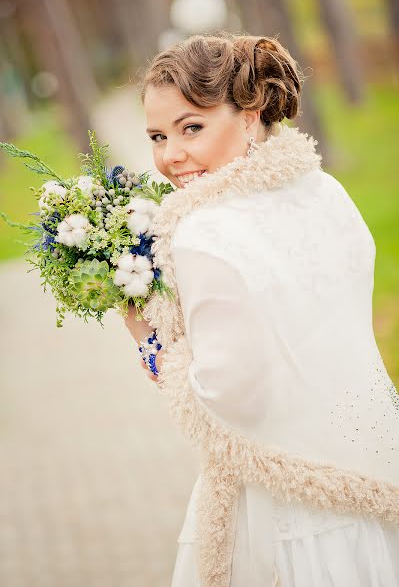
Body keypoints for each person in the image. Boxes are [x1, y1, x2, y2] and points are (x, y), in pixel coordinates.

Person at [124, 33, 399, 587]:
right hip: (372, 462)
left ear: (249, 115)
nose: (170, 155)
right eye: (157, 136)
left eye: (191, 127)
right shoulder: (324, 191)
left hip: (283, 495)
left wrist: (150, 340)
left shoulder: (200, 231)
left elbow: (225, 397)